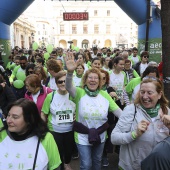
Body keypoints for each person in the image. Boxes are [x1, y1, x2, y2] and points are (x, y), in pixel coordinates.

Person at [65, 54, 122, 170]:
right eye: (90, 77)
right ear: (85, 80)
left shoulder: (105, 95)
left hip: (100, 135)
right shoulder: (79, 93)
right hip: (82, 136)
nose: (93, 80)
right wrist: (70, 73)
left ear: (100, 82)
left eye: (96, 78)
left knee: (97, 162)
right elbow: (68, 87)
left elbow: (119, 113)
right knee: (86, 165)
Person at [111, 78, 170, 170]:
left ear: (159, 95)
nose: (145, 96)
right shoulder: (131, 110)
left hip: (157, 166)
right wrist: (134, 134)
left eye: (149, 93)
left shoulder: (166, 111)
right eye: (142, 92)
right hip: (132, 167)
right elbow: (114, 138)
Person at [0, 98, 61, 169]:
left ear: (29, 120)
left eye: (15, 117)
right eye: (8, 115)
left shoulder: (45, 138)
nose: (8, 120)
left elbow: (55, 167)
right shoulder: (1, 135)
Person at [41, 71, 76, 170]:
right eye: (60, 82)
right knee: (58, 151)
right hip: (55, 130)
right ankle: (60, 165)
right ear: (56, 84)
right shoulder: (50, 96)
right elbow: (43, 113)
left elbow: (81, 109)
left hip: (70, 130)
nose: (63, 84)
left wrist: (77, 116)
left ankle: (67, 163)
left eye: (65, 81)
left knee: (69, 150)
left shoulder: (74, 95)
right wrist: (43, 128)